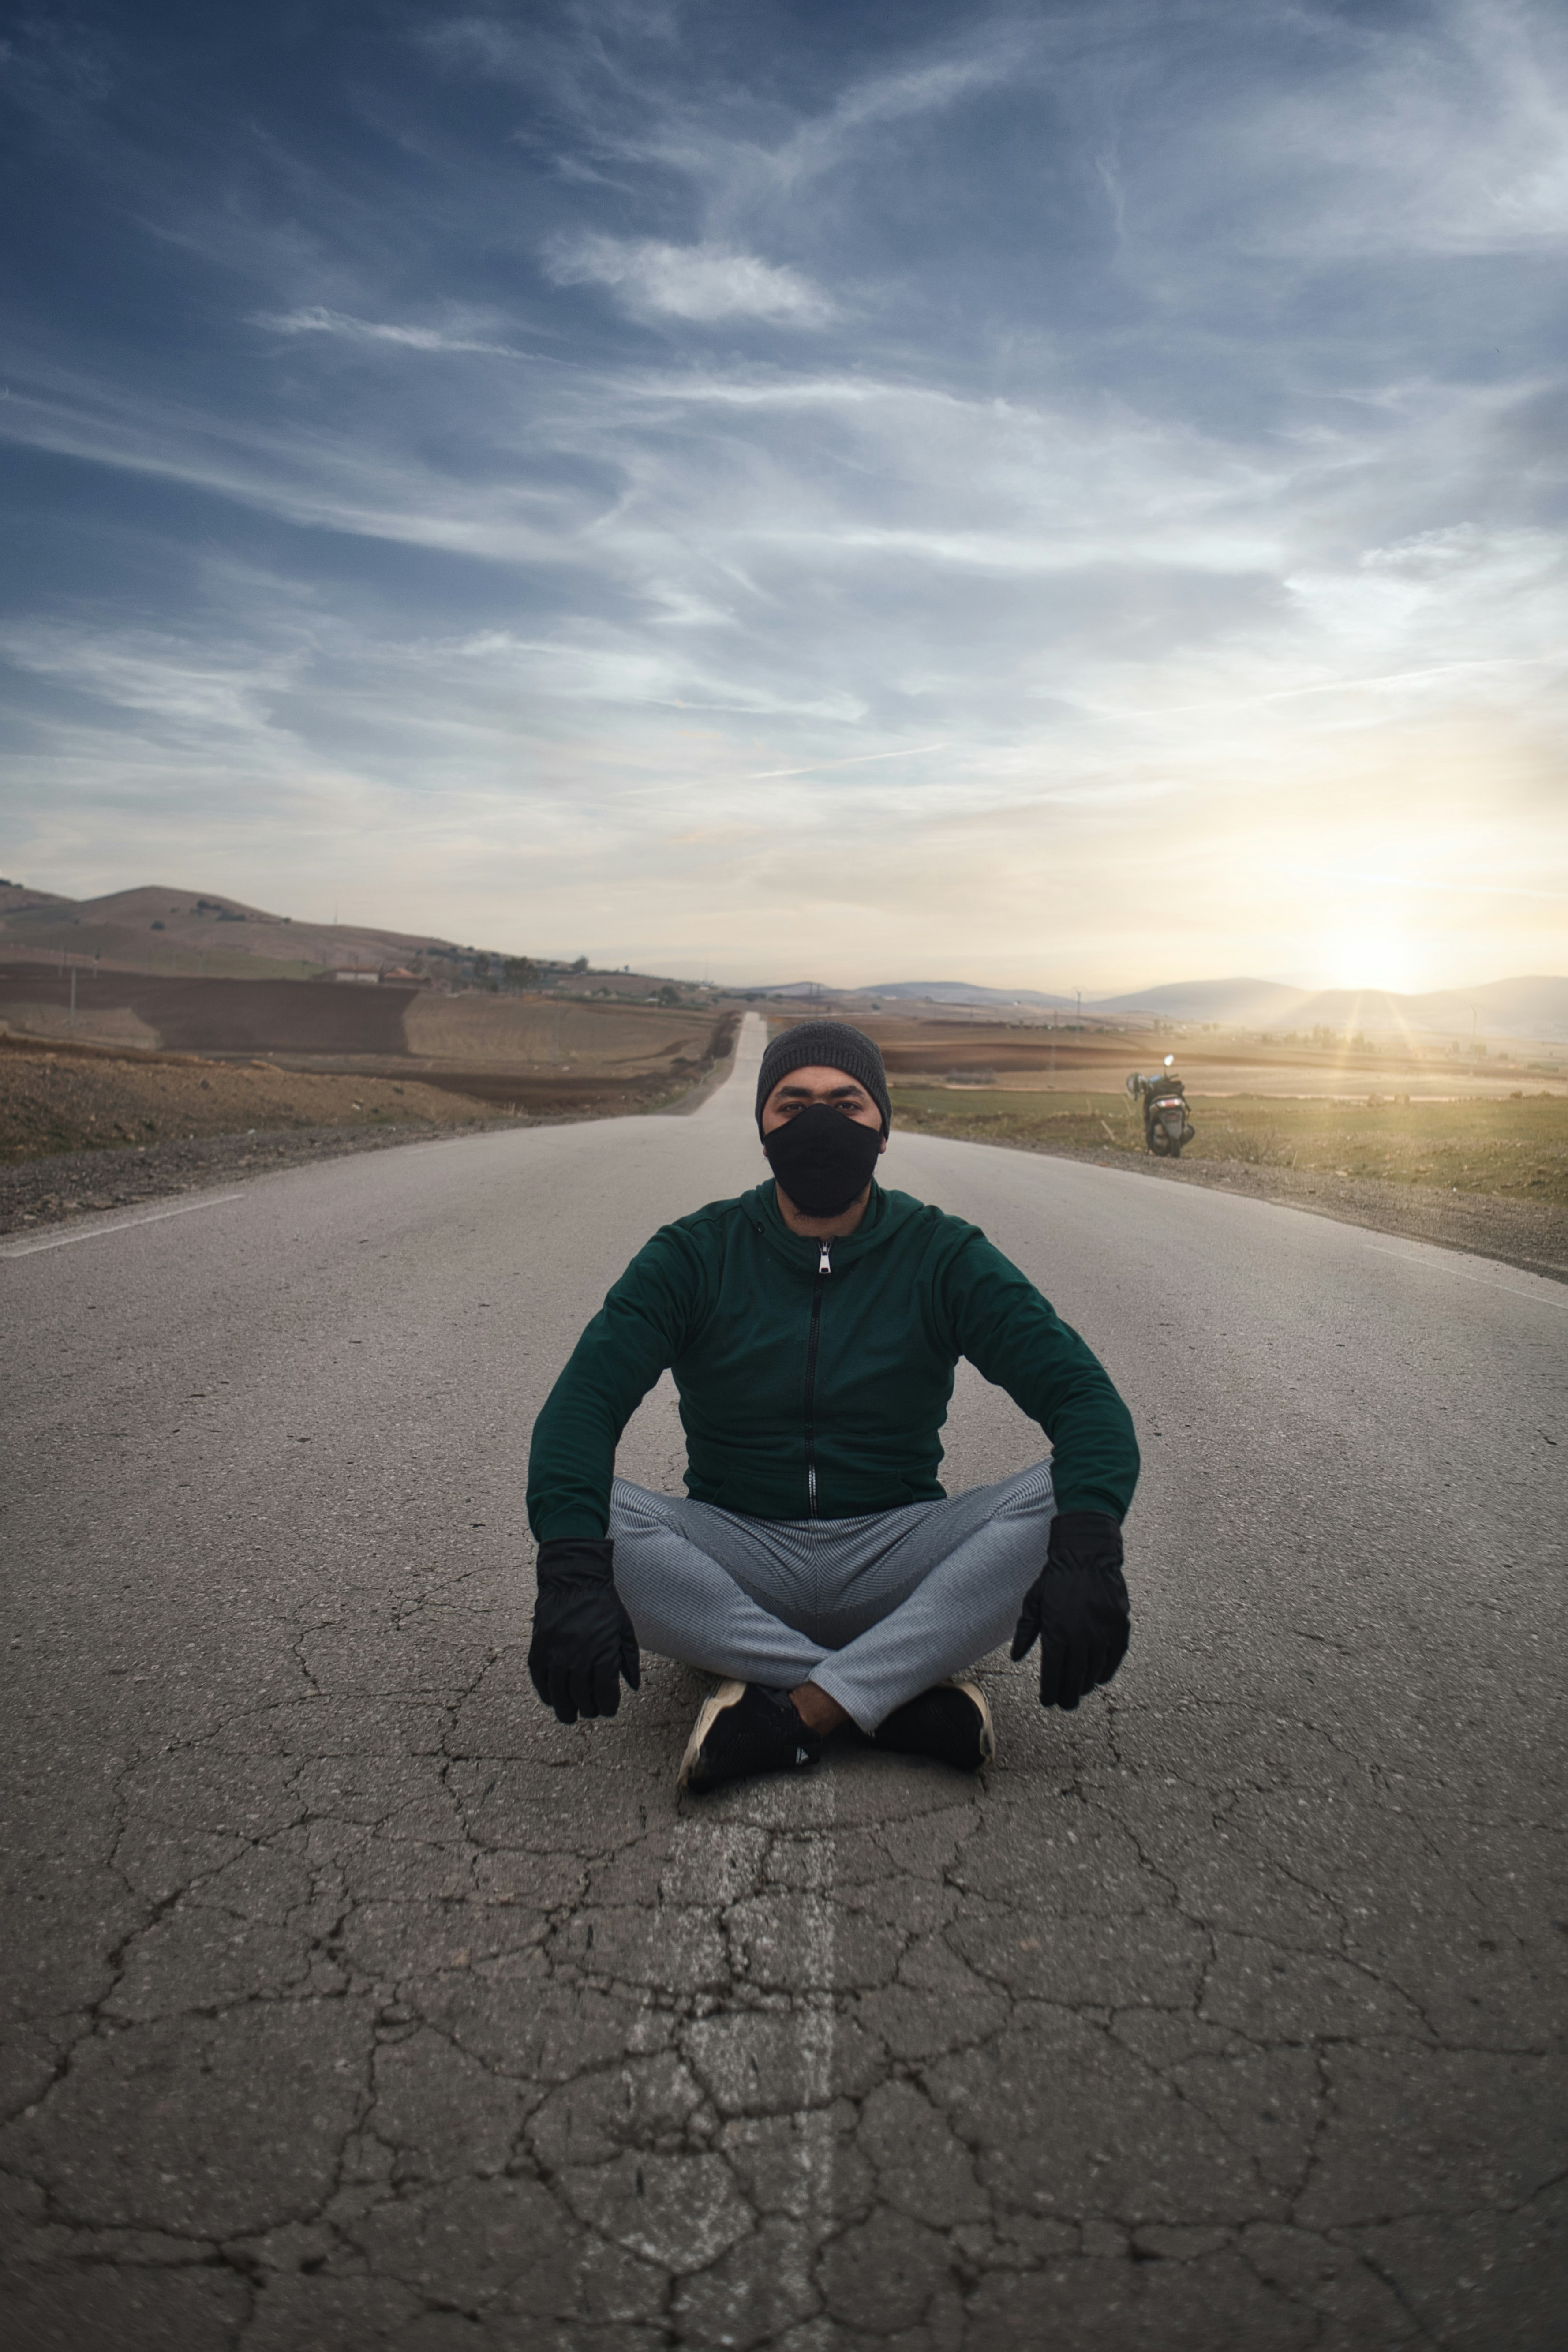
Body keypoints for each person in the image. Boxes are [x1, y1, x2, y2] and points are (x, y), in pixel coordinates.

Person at [525, 1019, 1139, 1794]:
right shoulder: (692, 1255)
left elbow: (1085, 1398)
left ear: (884, 1128)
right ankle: (892, 1693)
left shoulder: (942, 1254)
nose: (820, 1122)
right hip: (733, 1556)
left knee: (1071, 1500)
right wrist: (572, 1572)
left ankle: (800, 1708)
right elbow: (581, 1408)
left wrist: (1088, 1546)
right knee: (583, 1511)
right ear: (762, 1127)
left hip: (901, 1557)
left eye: (847, 1104)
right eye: (793, 1104)